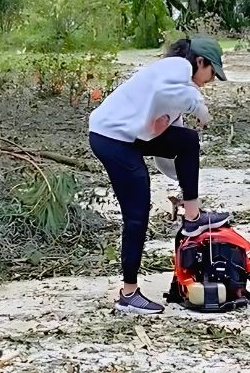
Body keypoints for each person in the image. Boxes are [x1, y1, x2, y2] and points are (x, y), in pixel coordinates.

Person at [88, 37, 230, 315]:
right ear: (199, 62)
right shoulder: (176, 67)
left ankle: (193, 218)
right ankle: (128, 294)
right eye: (212, 72)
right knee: (137, 212)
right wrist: (198, 105)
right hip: (110, 137)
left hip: (129, 137)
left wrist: (182, 186)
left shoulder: (177, 90)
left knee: (188, 140)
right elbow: (168, 93)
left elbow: (166, 154)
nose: (211, 80)